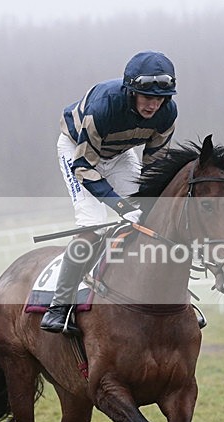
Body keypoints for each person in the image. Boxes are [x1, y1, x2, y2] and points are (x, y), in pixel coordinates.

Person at [41, 51, 178, 333]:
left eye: (159, 98)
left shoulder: (168, 113)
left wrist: (144, 203)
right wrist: (120, 206)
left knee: (147, 217)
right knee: (93, 225)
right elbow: (84, 167)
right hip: (78, 152)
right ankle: (59, 306)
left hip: (120, 154)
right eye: (146, 97)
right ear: (130, 91)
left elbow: (155, 166)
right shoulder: (104, 107)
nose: (153, 105)